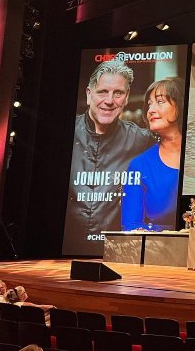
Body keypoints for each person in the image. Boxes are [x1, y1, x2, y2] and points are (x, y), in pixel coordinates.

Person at [64, 60, 156, 254]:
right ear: (89, 95)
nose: (109, 100)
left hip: (120, 254)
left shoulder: (142, 140)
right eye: (103, 92)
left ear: (127, 97)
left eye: (118, 93)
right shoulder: (66, 133)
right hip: (63, 253)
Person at [121, 78, 184, 231]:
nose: (151, 110)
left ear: (181, 105)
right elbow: (131, 227)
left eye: (160, 101)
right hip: (157, 250)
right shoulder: (139, 165)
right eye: (149, 104)